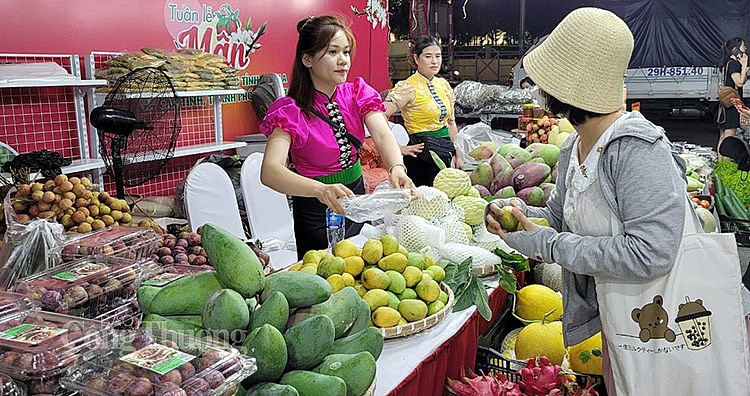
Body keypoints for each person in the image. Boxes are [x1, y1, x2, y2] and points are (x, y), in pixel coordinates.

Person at [484, 8, 688, 394]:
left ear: (569, 86)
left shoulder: (636, 149)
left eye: (546, 80)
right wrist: (523, 216)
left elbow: (652, 252)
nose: (538, 89)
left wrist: (547, 244)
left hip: (662, 324)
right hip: (614, 320)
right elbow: (562, 219)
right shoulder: (571, 147)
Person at [259, 15, 414, 259]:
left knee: (361, 269)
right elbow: (270, 171)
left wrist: (396, 166)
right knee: (321, 277)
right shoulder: (289, 111)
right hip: (314, 207)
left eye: (346, 52)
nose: (343, 61)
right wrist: (320, 189)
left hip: (356, 196)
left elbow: (383, 134)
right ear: (307, 59)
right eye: (332, 52)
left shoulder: (357, 92)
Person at [383, 35, 462, 187]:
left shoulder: (443, 85)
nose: (434, 61)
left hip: (445, 152)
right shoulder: (407, 87)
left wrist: (458, 153)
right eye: (428, 56)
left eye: (438, 56)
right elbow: (380, 115)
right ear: (416, 58)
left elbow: (451, 123)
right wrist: (399, 148)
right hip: (421, 157)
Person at [718, 37, 749, 157]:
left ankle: (720, 164)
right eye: (743, 46)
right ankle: (725, 164)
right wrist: (744, 63)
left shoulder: (728, 64)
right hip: (732, 104)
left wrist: (744, 69)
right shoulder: (733, 65)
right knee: (729, 135)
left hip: (726, 104)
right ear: (735, 50)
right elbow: (740, 83)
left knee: (723, 135)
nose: (745, 49)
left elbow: (741, 79)